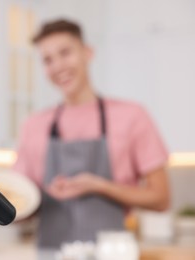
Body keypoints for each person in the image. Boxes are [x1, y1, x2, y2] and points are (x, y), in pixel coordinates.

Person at [13, 19, 170, 252]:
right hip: (50, 254)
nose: (57, 66)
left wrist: (99, 186)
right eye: (48, 60)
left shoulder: (132, 116)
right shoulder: (34, 125)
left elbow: (161, 199)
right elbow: (21, 205)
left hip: (112, 253)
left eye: (65, 53)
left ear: (87, 53)